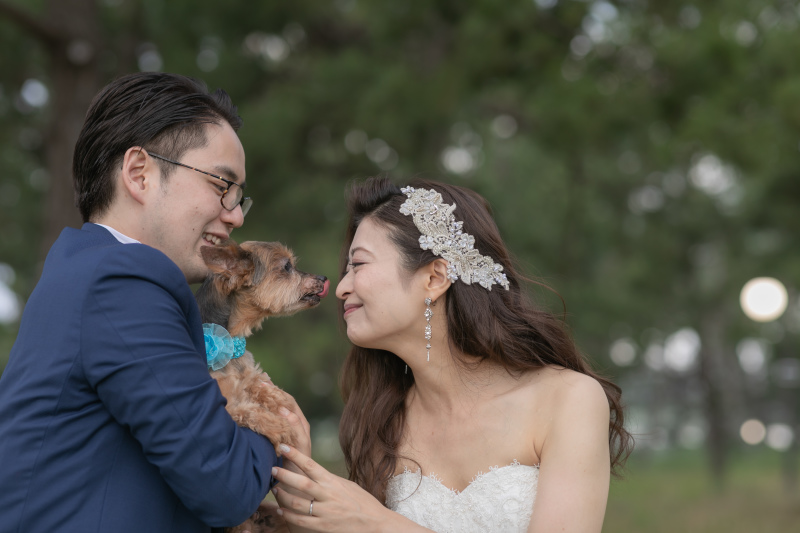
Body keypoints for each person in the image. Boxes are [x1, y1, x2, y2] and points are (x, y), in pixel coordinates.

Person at [0, 72, 308, 532]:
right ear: (139, 173)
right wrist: (282, 431)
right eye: (221, 185)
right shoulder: (121, 282)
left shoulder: (83, 270)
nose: (236, 214)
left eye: (240, 196)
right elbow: (226, 486)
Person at [269, 177, 633, 532]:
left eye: (359, 265)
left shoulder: (567, 400)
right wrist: (302, 480)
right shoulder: (381, 419)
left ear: (435, 277)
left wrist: (375, 523)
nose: (342, 287)